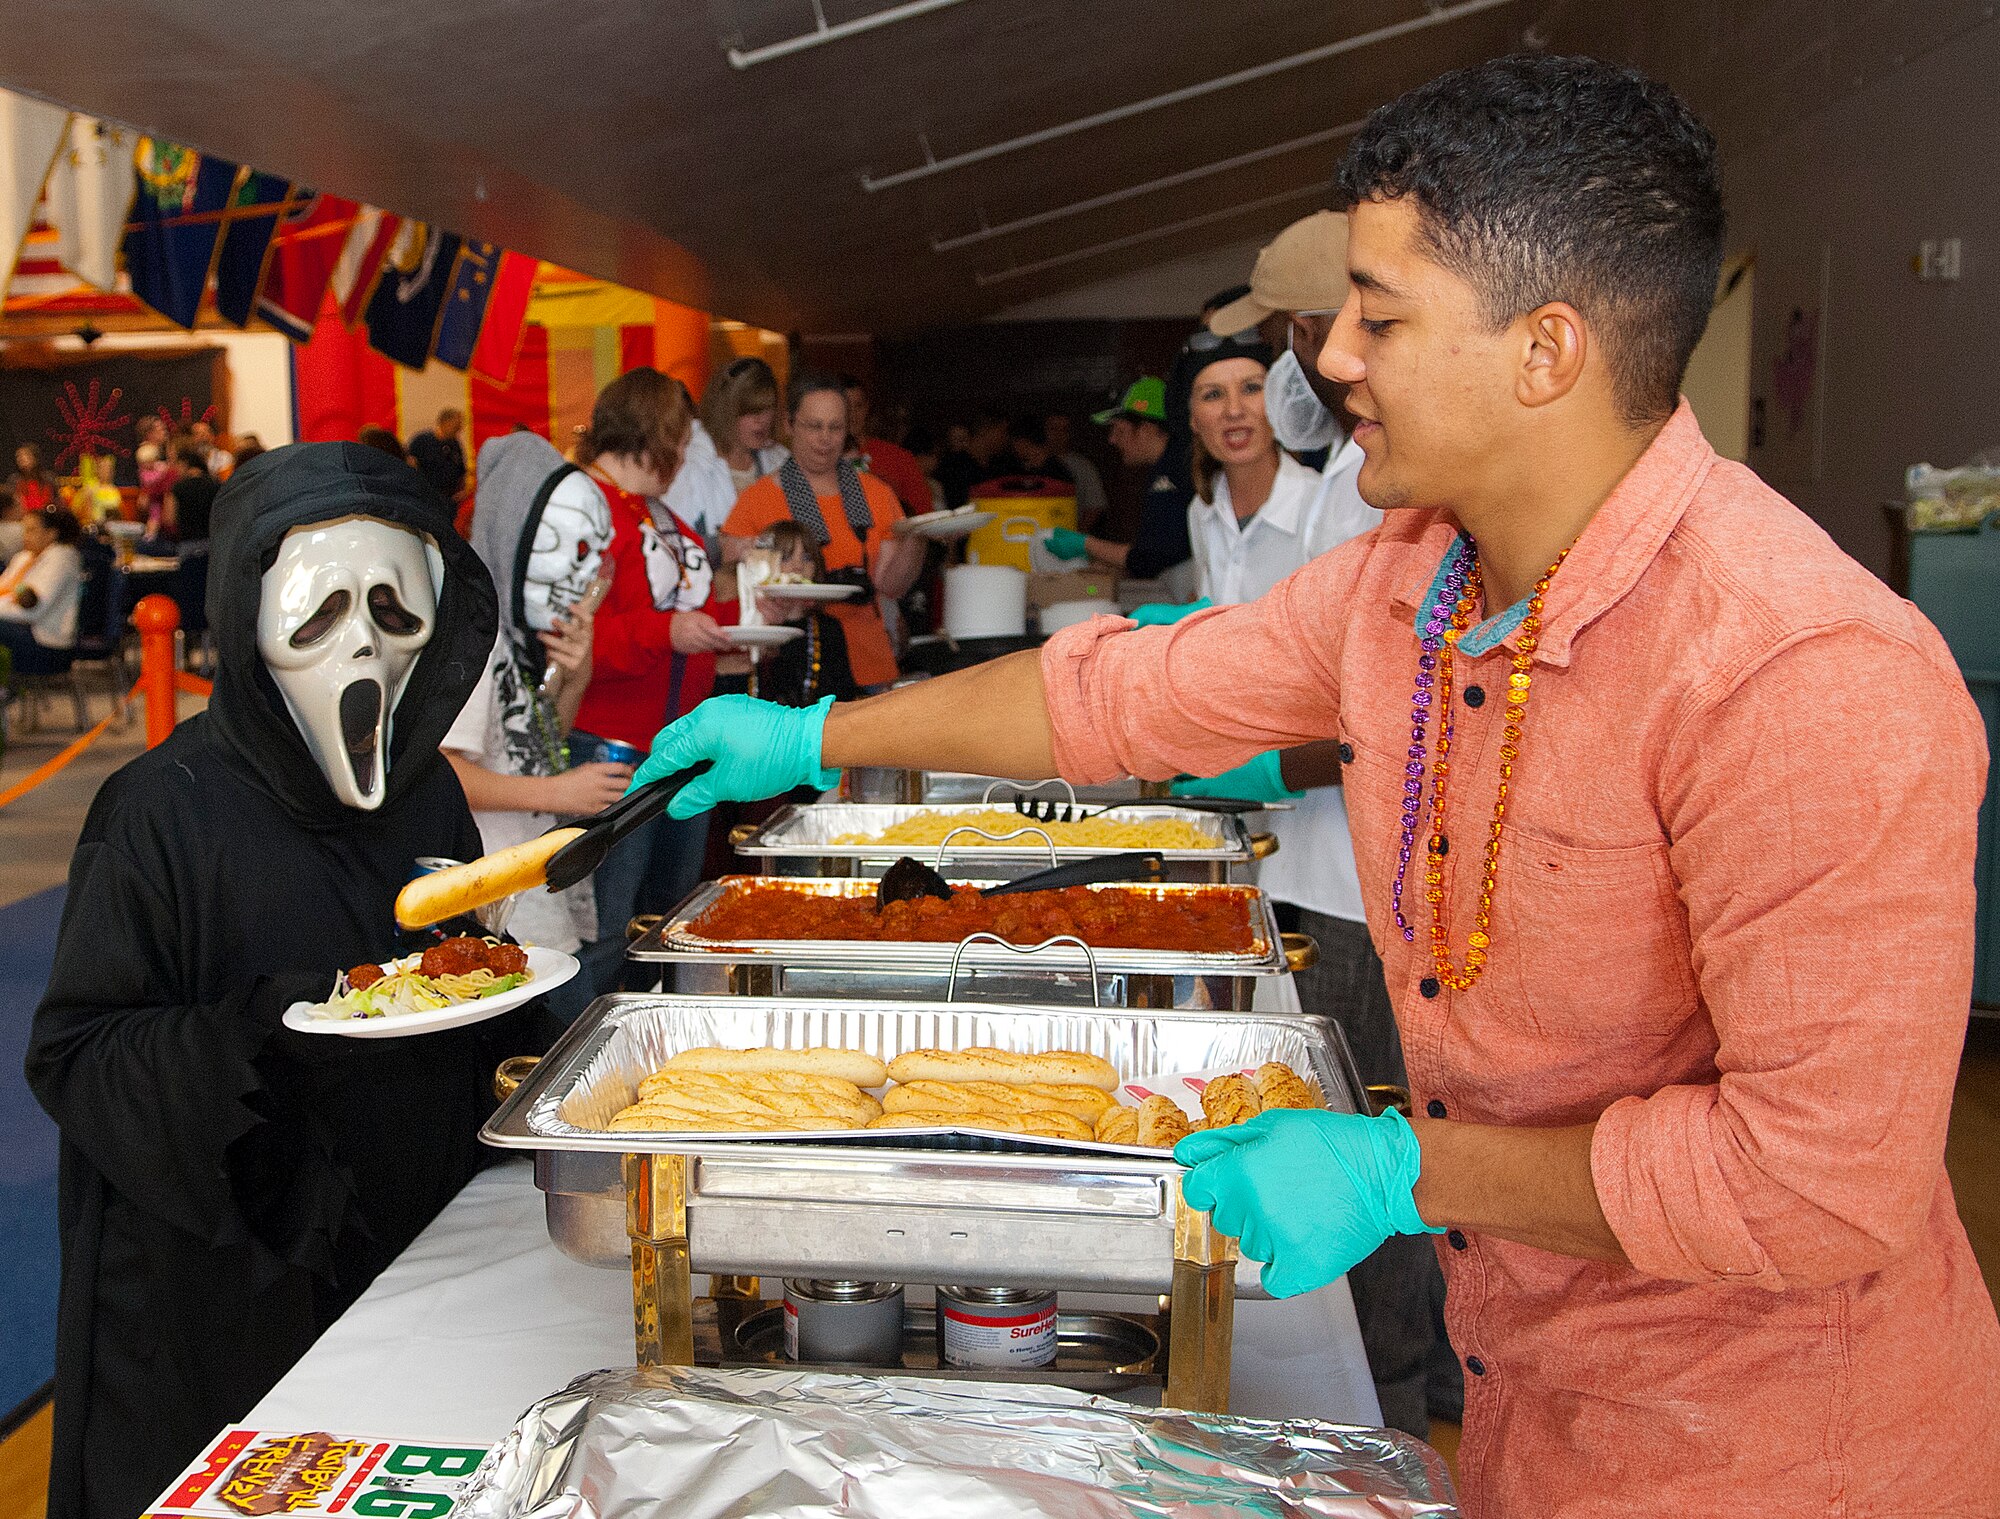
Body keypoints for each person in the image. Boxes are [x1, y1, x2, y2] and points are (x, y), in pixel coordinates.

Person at [623, 56, 2000, 1518]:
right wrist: (819, 735)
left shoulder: (1800, 669)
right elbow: (1118, 692)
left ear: (1546, 351)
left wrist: (1407, 1166)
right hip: (1543, 1420)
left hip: (1784, 1455)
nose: (1331, 357)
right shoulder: (1414, 582)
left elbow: (1815, 1182)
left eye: (1379, 315)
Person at [26, 443, 552, 1519]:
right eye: (319, 614)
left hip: (415, 1245)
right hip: (223, 1280)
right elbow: (77, 1051)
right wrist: (262, 1027)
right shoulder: (156, 812)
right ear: (251, 620)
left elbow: (474, 979)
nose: (359, 644)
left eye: (391, 611)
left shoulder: (422, 797)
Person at [443, 429, 627, 1013]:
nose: (587, 574)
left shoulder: (521, 636)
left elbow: (538, 737)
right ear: (516, 538)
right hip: (499, 908)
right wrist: (559, 792)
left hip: (539, 889)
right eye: (571, 549)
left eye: (595, 553)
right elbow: (446, 774)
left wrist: (575, 674)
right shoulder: (472, 642)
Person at [566, 368, 735, 986]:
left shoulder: (655, 511)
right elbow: (570, 641)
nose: (687, 453)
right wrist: (664, 634)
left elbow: (692, 618)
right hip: (613, 747)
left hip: (679, 745)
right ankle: (583, 1063)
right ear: (654, 433)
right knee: (605, 931)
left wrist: (755, 616)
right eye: (681, 439)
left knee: (666, 922)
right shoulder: (584, 509)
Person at [721, 370, 924, 691]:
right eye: (814, 426)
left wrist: (916, 539)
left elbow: (891, 585)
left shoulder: (875, 494)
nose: (825, 438)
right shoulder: (757, 499)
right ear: (789, 425)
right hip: (791, 663)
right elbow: (730, 586)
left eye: (835, 427)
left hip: (868, 663)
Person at [1034, 378, 1197, 598]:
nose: (1112, 440)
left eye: (1119, 431)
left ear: (1147, 429)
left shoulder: (1175, 472)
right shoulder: (1167, 467)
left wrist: (1086, 544)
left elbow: (1152, 557)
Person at [752, 521, 862, 709]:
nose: (797, 566)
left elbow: (844, 696)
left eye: (806, 557)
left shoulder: (829, 628)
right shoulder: (752, 627)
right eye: (786, 557)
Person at [0, 504, 83, 674]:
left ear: (51, 533)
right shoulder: (23, 557)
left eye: (32, 530)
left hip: (47, 646)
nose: (25, 536)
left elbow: (33, 611)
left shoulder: (62, 558)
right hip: (20, 632)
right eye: (25, 530)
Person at [842, 376, 932, 515]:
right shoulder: (820, 458)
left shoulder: (899, 458)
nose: (852, 414)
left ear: (867, 408)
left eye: (858, 406)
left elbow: (923, 515)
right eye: (846, 407)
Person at [700, 356, 789, 495]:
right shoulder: (692, 464)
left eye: (767, 408)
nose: (761, 420)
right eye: (751, 411)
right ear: (725, 411)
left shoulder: (781, 461)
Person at [1044, 412, 1108, 529]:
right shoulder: (1032, 463)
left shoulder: (1084, 467)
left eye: (1064, 430)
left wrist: (1076, 536)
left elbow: (1095, 506)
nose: (1058, 435)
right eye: (1053, 429)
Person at [407, 407, 469, 504]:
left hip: (449, 500)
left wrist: (462, 491)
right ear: (445, 422)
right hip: (427, 499)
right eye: (456, 426)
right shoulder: (421, 441)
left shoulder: (455, 444)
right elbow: (409, 466)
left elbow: (461, 471)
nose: (459, 430)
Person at [166, 444, 219, 548]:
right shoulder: (217, 485)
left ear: (184, 464)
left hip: (188, 544)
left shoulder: (178, 487)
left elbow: (169, 519)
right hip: (212, 544)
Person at [1004, 415, 1073, 485]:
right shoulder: (1006, 466)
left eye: (1025, 443)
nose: (1019, 447)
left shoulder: (1058, 470)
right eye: (1016, 442)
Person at [8, 442, 58, 512]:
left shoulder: (48, 478)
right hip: (22, 519)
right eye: (18, 456)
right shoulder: (14, 480)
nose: (21, 459)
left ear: (35, 458)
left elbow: (56, 502)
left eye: (25, 455)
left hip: (46, 518)